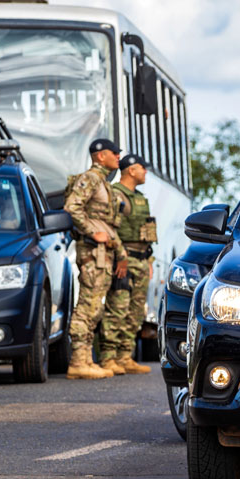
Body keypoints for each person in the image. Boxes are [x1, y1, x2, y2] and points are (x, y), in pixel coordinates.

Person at [63, 138, 129, 380]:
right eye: (114, 152)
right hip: (92, 252)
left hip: (103, 253)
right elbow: (72, 207)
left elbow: (108, 225)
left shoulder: (103, 182)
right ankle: (78, 361)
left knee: (95, 307)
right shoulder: (90, 178)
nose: (118, 157)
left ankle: (87, 360)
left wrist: (119, 252)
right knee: (87, 306)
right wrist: (92, 232)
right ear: (100, 155)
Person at [99, 154, 156, 375]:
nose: (145, 172)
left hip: (141, 260)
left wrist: (149, 259)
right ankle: (108, 357)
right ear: (131, 170)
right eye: (143, 168)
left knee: (135, 312)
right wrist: (119, 256)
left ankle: (125, 356)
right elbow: (111, 228)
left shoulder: (140, 197)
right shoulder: (115, 195)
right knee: (117, 309)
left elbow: (146, 232)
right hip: (122, 259)